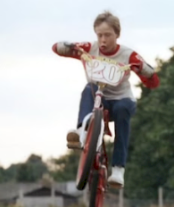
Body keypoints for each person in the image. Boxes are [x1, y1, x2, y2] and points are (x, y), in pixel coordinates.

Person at [53, 11, 160, 188]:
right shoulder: (89, 48)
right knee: (89, 89)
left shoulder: (128, 55)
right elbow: (57, 49)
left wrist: (145, 70)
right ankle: (81, 131)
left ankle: (118, 169)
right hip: (98, 95)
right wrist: (66, 45)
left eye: (108, 35)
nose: (103, 40)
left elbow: (153, 82)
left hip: (121, 99)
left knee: (122, 111)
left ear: (117, 35)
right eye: (99, 35)